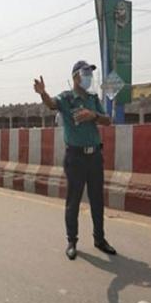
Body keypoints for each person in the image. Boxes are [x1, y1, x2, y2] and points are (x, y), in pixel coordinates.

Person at [33, 60, 116, 260]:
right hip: (75, 158)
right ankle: (72, 241)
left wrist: (92, 115)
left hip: (95, 156)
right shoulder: (67, 98)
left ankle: (100, 239)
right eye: (85, 72)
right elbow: (52, 104)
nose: (89, 77)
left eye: (90, 73)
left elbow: (107, 120)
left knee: (97, 200)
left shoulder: (92, 98)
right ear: (76, 77)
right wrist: (43, 93)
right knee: (73, 202)